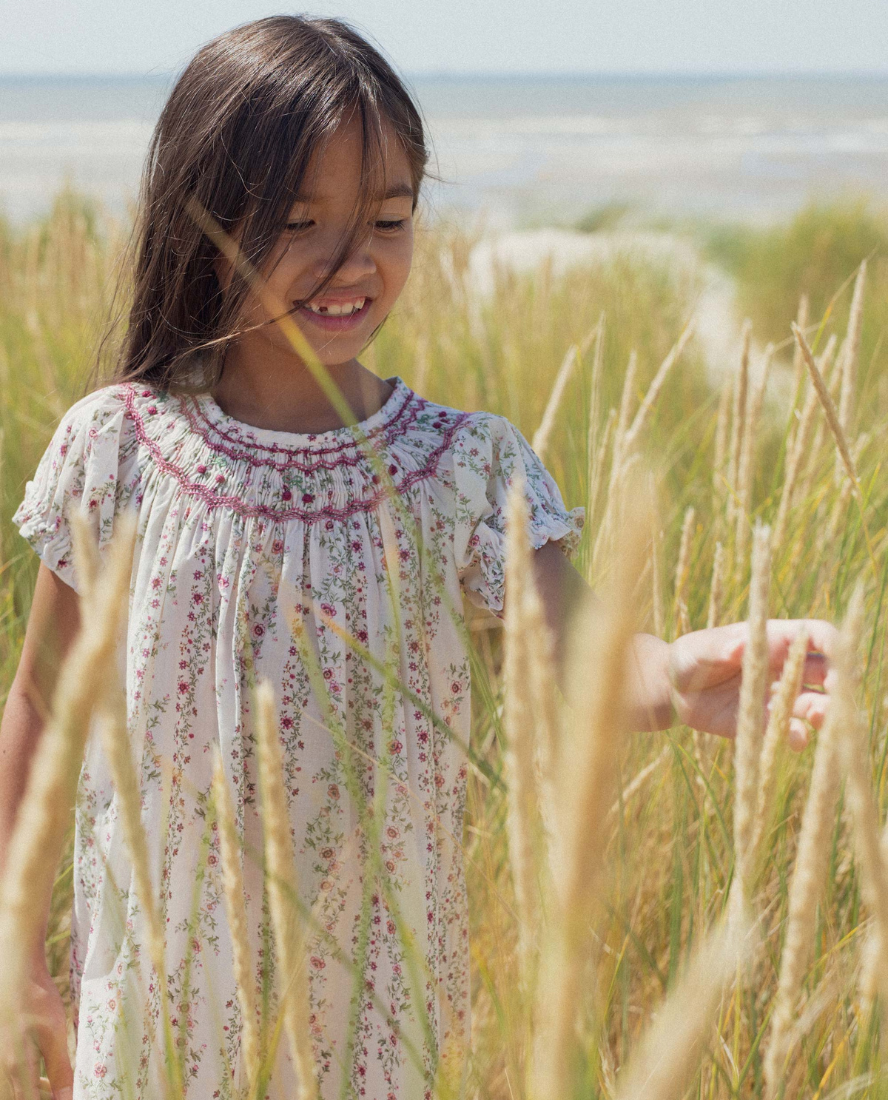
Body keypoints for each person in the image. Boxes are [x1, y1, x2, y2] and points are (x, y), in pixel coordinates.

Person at [0, 15, 838, 1100]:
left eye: (389, 218)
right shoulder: (115, 448)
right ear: (204, 227)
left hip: (377, 1010)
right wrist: (19, 958)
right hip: (164, 1004)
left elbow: (572, 650)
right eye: (301, 223)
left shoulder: (458, 467)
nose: (355, 260)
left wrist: (679, 674)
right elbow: (37, 702)